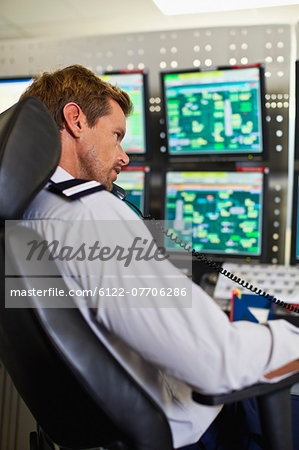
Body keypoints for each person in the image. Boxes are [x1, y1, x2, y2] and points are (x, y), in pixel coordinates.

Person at [20, 65, 299, 449]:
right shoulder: (90, 215)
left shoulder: (30, 213)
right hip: (196, 432)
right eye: (116, 135)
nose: (124, 157)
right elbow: (217, 362)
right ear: (75, 120)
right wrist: (291, 335)